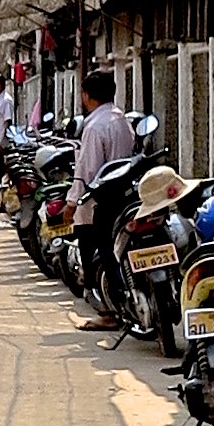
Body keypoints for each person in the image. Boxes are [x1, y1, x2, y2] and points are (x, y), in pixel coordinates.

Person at [69, 67, 137, 308]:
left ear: (87, 95)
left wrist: (71, 203)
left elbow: (87, 170)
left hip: (101, 200)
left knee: (104, 253)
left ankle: (110, 308)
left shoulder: (95, 127)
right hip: (125, 195)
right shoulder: (122, 120)